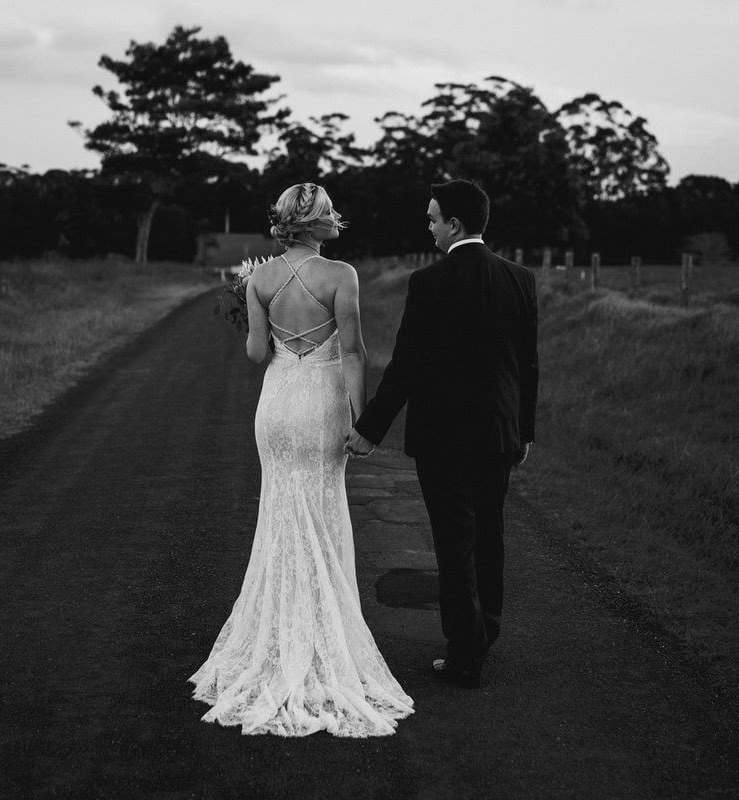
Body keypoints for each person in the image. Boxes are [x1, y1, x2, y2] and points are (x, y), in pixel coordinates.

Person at [189, 183, 414, 737]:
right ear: (314, 223)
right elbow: (354, 352)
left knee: (280, 513)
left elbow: (256, 353)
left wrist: (257, 317)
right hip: (320, 404)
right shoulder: (341, 275)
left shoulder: (260, 279)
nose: (338, 218)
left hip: (276, 405)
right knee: (320, 509)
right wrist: (363, 421)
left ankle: (276, 636)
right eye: (330, 212)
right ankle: (317, 638)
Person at [345, 179, 538, 690]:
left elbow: (407, 364)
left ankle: (465, 654)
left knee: (454, 542)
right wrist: (525, 430)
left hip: (444, 436)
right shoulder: (520, 278)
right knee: (490, 536)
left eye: (433, 219)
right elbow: (527, 363)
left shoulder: (428, 282)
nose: (428, 227)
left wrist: (369, 429)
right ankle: (483, 635)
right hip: (499, 432)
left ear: (454, 224)